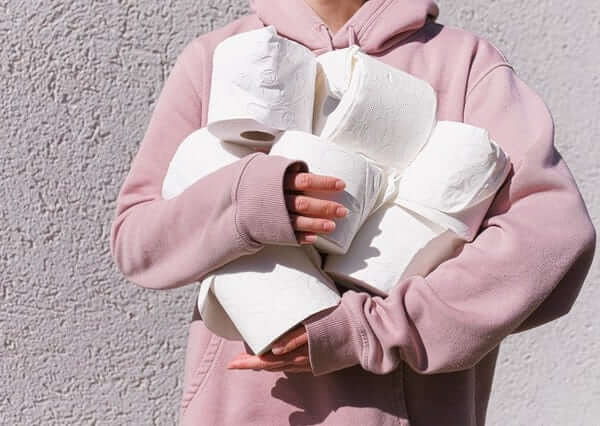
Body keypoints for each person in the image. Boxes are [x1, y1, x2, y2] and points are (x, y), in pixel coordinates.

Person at [109, 0, 596, 424]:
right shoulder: (220, 59)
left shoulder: (464, 63)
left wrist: (374, 329)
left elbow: (550, 234)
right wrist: (252, 200)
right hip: (240, 410)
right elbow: (137, 240)